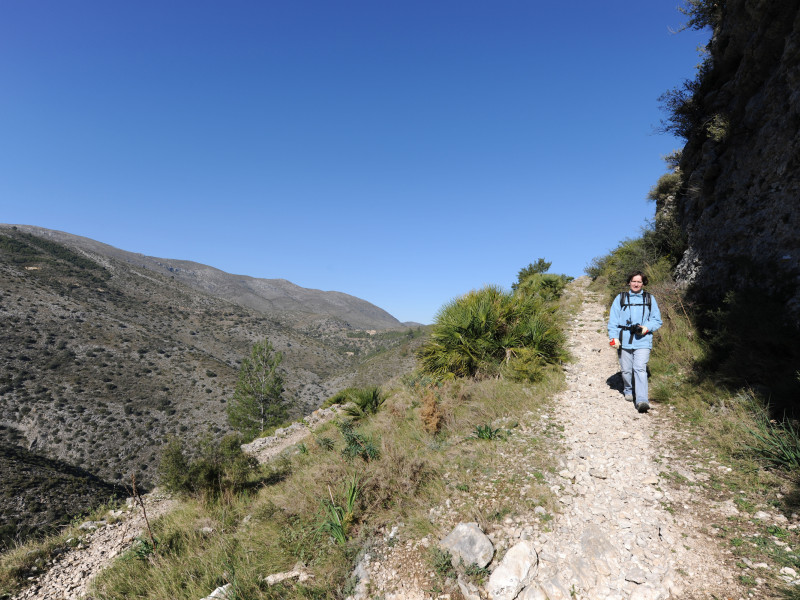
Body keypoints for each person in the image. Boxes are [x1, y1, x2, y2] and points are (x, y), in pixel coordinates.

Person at [607, 271, 662, 413]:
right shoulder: (621, 298)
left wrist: (647, 327)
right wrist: (613, 337)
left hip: (643, 340)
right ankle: (628, 389)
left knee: (640, 368)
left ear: (643, 283)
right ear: (629, 282)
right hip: (624, 339)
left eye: (639, 282)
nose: (636, 284)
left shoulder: (650, 298)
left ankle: (642, 400)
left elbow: (657, 320)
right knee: (626, 370)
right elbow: (613, 320)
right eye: (633, 281)